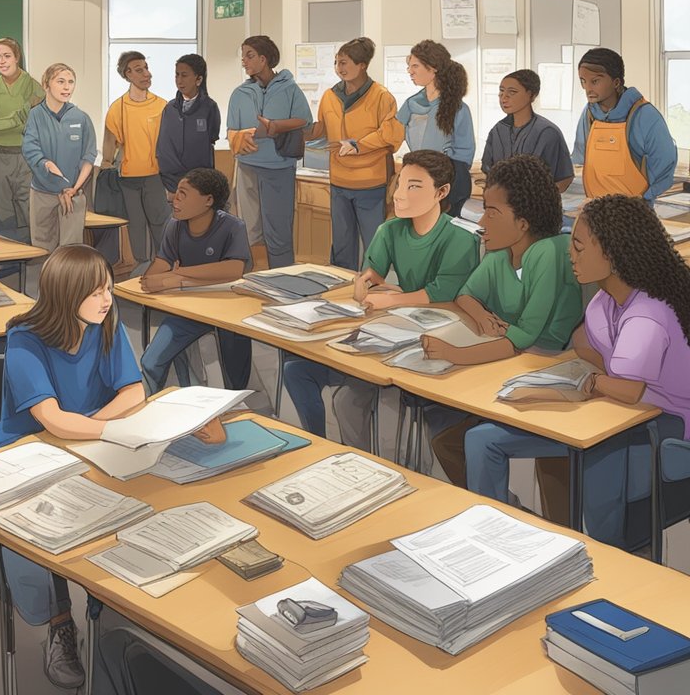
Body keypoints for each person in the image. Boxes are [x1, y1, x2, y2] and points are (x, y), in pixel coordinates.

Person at [0, 243, 223, 688]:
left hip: (91, 445)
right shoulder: (24, 337)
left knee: (146, 507)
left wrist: (96, 426)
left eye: (108, 288)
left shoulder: (105, 323)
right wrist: (110, 430)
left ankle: (110, 610)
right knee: (40, 534)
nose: (108, 298)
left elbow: (134, 393)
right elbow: (51, 419)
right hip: (29, 454)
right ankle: (60, 621)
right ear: (66, 293)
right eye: (97, 291)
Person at [462, 195, 690, 547]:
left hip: (664, 427)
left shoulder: (649, 312)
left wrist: (596, 381)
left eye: (580, 247)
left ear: (612, 255)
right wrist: (597, 379)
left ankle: (611, 556)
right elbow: (584, 345)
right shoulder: (603, 299)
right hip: (613, 410)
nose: (571, 254)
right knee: (482, 440)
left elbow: (628, 390)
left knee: (598, 470)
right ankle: (497, 541)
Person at [282, 150, 479, 450]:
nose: (400, 194)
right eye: (400, 183)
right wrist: (365, 283)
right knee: (296, 370)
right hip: (391, 329)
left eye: (414, 186)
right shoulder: (390, 230)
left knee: (348, 400)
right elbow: (371, 275)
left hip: (436, 337)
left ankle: (363, 464)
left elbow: (441, 295)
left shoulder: (460, 237)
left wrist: (390, 299)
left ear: (441, 192)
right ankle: (319, 448)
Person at [428, 154, 584, 484]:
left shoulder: (549, 252)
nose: (482, 220)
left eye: (492, 212)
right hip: (511, 364)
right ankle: (505, 508)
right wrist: (484, 317)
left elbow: (523, 337)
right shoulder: (502, 250)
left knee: (459, 440)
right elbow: (465, 294)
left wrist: (454, 354)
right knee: (445, 440)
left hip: (548, 372)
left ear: (523, 222)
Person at [139, 168, 252, 393]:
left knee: (235, 368)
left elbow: (233, 269)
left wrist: (180, 275)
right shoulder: (175, 226)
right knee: (151, 360)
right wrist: (165, 278)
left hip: (227, 311)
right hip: (188, 310)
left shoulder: (232, 227)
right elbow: (157, 271)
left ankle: (235, 401)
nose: (173, 199)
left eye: (183, 193)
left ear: (208, 200)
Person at [310, 37, 405, 270]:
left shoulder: (381, 96)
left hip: (371, 183)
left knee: (374, 243)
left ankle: (372, 290)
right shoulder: (329, 96)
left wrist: (358, 145)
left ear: (362, 64)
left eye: (344, 62)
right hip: (340, 182)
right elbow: (322, 129)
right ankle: (342, 290)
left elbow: (392, 135)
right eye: (336, 63)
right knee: (342, 243)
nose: (339, 68)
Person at [226, 36, 312, 268]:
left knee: (279, 232)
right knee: (248, 229)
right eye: (242, 55)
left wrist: (275, 127)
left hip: (279, 168)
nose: (244, 61)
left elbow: (305, 121)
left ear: (264, 59)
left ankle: (283, 283)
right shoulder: (239, 94)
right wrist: (238, 138)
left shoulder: (290, 89)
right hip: (246, 167)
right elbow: (231, 130)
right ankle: (251, 281)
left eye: (249, 55)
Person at [572, 47, 677, 200]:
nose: (588, 89)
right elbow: (579, 159)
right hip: (595, 210)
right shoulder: (589, 115)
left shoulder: (645, 116)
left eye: (595, 81)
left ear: (616, 82)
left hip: (634, 213)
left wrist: (646, 198)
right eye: (583, 81)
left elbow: (665, 164)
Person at [22, 63, 97, 255]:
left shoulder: (81, 118)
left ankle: (69, 287)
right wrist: (47, 166)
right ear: (46, 84)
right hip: (43, 194)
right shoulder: (35, 115)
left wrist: (73, 189)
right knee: (41, 249)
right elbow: (31, 150)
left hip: (74, 195)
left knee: (70, 252)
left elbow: (88, 157)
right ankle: (44, 286)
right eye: (61, 81)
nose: (67, 87)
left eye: (71, 82)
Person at [104, 51, 169, 271]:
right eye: (139, 70)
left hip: (156, 177)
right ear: (127, 74)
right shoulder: (117, 109)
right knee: (136, 226)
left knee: (160, 222)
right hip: (128, 179)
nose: (146, 74)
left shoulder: (162, 106)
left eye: (146, 68)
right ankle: (141, 268)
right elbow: (108, 150)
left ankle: (164, 265)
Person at [397, 40, 475, 216]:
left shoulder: (459, 109)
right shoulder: (411, 104)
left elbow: (463, 155)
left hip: (448, 182)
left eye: (415, 66)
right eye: (409, 66)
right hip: (417, 178)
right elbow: (390, 134)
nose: (410, 71)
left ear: (433, 68)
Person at [0, 37, 43, 241]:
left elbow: (36, 126)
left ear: (17, 57)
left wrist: (3, 124)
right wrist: (18, 117)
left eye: (7, 56)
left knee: (29, 208)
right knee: (2, 211)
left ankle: (32, 261)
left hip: (28, 157)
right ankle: (8, 262)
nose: (2, 61)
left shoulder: (34, 87)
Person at [482, 69, 574, 190]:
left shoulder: (547, 132)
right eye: (501, 91)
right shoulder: (498, 131)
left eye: (512, 92)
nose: (504, 98)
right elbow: (488, 170)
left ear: (532, 95)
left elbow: (564, 178)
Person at [156, 54, 220, 192]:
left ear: (198, 79)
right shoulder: (169, 108)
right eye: (177, 75)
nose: (179, 80)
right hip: (170, 180)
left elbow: (212, 138)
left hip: (199, 181)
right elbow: (164, 143)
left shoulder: (210, 107)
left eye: (184, 75)